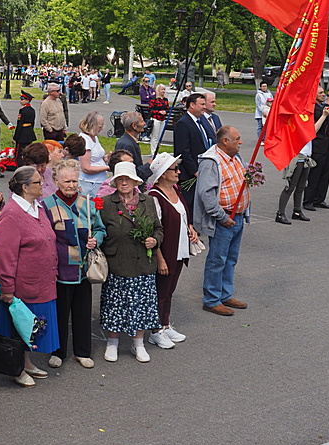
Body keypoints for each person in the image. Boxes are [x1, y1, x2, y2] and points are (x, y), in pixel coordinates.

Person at [0, 166, 59, 387]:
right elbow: (6, 254)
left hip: (42, 281)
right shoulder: (12, 214)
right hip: (24, 285)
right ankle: (17, 367)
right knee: (21, 326)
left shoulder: (37, 207)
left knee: (32, 326)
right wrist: (7, 287)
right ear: (24, 187)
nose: (43, 185)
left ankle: (27, 362)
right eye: (38, 182)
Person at [42, 159, 104, 369]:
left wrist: (97, 239)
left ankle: (83, 352)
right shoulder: (47, 205)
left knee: (83, 312)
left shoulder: (87, 203)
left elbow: (101, 229)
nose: (71, 185)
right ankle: (57, 352)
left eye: (74, 181)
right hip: (60, 271)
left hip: (84, 270)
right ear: (56, 181)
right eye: (66, 181)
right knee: (59, 313)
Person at [99, 162, 163, 363]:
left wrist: (155, 240)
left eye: (127, 179)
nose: (123, 182)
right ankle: (112, 343)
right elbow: (99, 230)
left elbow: (158, 229)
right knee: (114, 305)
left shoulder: (148, 201)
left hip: (143, 263)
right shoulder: (107, 203)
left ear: (135, 181)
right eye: (120, 179)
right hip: (117, 263)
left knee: (142, 305)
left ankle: (139, 344)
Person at [195, 126, 250, 317]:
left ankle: (226, 294)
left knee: (231, 259)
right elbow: (206, 194)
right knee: (217, 259)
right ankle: (211, 299)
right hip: (224, 218)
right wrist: (222, 217)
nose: (241, 142)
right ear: (225, 141)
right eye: (237, 139)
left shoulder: (235, 158)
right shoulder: (212, 161)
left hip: (238, 216)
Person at [147, 153, 199, 348]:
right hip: (166, 252)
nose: (178, 172)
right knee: (160, 292)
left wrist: (190, 229)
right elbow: (154, 230)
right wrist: (160, 259)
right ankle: (156, 330)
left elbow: (183, 215)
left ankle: (165, 323)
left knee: (169, 291)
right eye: (174, 169)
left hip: (179, 250)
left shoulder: (175, 190)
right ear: (162, 174)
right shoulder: (154, 197)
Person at [303, 87, 329, 211]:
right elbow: (321, 118)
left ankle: (319, 199)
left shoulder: (325, 107)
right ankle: (308, 200)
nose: (323, 95)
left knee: (325, 174)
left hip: (328, 145)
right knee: (314, 175)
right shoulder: (313, 108)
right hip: (317, 146)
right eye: (320, 93)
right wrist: (327, 105)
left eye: (323, 93)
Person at [172, 93, 213, 214]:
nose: (204, 107)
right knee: (188, 205)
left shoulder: (201, 121)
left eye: (205, 104)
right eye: (202, 104)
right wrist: (195, 171)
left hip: (202, 170)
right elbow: (183, 151)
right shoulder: (183, 123)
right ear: (192, 105)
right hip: (189, 175)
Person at [275, 141, 315, 225]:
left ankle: (297, 211)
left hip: (305, 157)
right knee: (290, 187)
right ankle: (280, 213)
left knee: (301, 187)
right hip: (296, 157)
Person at [77, 111, 110, 197]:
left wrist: (107, 157)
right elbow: (86, 168)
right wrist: (107, 168)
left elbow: (96, 158)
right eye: (100, 126)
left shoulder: (94, 137)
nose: (102, 128)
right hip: (90, 183)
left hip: (99, 181)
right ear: (92, 125)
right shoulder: (85, 140)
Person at [114, 112, 153, 183]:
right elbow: (130, 172)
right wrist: (148, 165)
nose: (144, 123)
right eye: (142, 121)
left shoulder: (129, 141)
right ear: (134, 125)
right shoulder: (127, 145)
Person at [13, 90, 37, 166]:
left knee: (19, 153)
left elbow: (20, 124)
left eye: (22, 99)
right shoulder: (32, 110)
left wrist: (15, 137)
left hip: (22, 133)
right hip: (29, 132)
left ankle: (20, 167)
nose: (21, 101)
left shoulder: (22, 110)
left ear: (27, 100)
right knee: (28, 151)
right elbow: (32, 122)